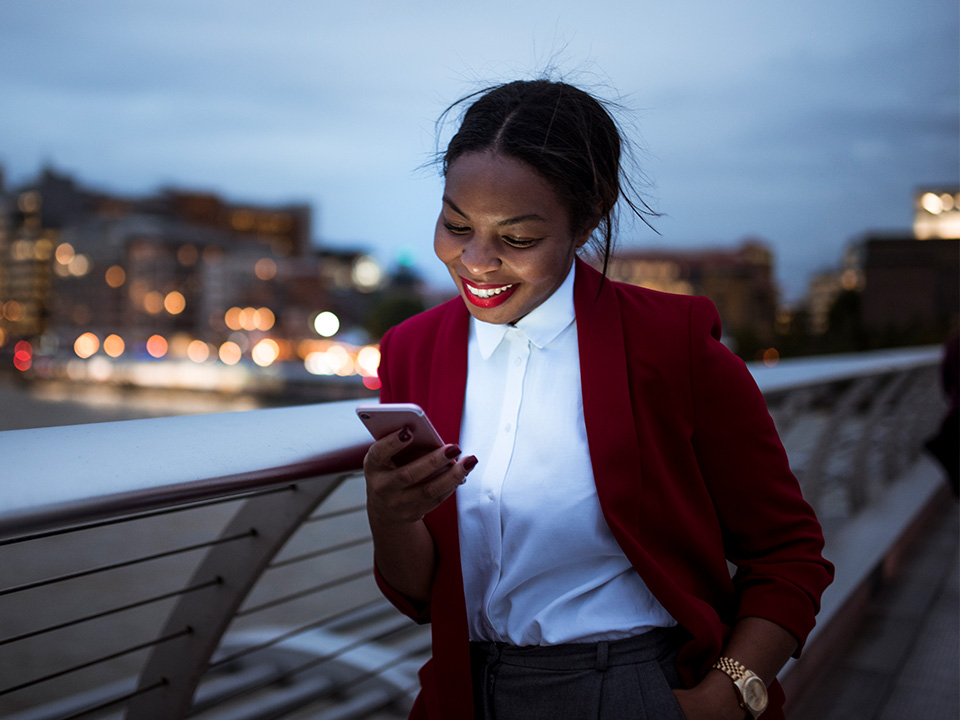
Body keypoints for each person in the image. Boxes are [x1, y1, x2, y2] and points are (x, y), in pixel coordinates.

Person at [363, 79, 833, 720]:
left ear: (589, 218)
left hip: (635, 689)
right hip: (462, 694)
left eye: (518, 239)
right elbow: (421, 594)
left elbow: (788, 553)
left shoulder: (674, 344)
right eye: (455, 225)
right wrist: (391, 512)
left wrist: (730, 694)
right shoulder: (412, 349)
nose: (476, 260)